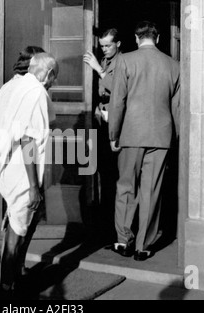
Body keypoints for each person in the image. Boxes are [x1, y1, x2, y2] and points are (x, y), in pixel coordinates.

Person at [108, 21, 180, 261]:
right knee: (151, 191)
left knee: (125, 187)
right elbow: (177, 108)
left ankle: (123, 240)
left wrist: (113, 135)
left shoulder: (125, 60)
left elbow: (117, 102)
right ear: (157, 39)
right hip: (161, 136)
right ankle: (144, 246)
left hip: (131, 134)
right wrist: (174, 138)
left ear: (137, 39)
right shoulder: (173, 65)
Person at [0, 53, 59, 299]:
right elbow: (28, 138)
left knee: (25, 221)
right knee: (17, 229)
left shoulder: (15, 85)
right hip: (22, 171)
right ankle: (5, 288)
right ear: (48, 74)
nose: (53, 83)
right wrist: (33, 185)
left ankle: (15, 275)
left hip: (10, 166)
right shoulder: (37, 92)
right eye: (54, 78)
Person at [83, 28, 122, 242]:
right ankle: (104, 227)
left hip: (116, 127)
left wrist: (98, 69)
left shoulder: (123, 62)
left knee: (114, 178)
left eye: (108, 45)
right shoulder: (105, 61)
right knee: (103, 175)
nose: (104, 49)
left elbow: (119, 90)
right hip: (101, 125)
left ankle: (116, 228)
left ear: (119, 44)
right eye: (102, 46)